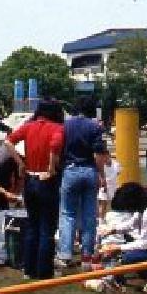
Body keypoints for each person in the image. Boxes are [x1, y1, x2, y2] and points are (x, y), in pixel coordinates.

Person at [6, 99, 64, 279]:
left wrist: (20, 163)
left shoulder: (29, 126)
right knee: (47, 227)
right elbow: (55, 146)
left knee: (32, 226)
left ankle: (28, 269)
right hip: (47, 181)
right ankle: (44, 271)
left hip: (30, 179)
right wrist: (52, 167)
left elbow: (8, 142)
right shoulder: (57, 128)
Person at [57, 96, 106, 271]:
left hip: (70, 170)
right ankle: (87, 256)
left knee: (68, 214)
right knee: (89, 215)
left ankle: (65, 254)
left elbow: (58, 149)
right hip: (89, 170)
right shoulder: (95, 126)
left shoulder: (66, 125)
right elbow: (99, 153)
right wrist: (102, 176)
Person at [97, 143, 122, 222]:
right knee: (103, 203)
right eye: (103, 156)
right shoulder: (100, 165)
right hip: (104, 186)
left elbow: (118, 173)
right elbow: (99, 175)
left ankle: (115, 219)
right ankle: (101, 220)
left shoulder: (116, 164)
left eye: (106, 156)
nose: (105, 158)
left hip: (113, 186)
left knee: (115, 204)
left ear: (109, 155)